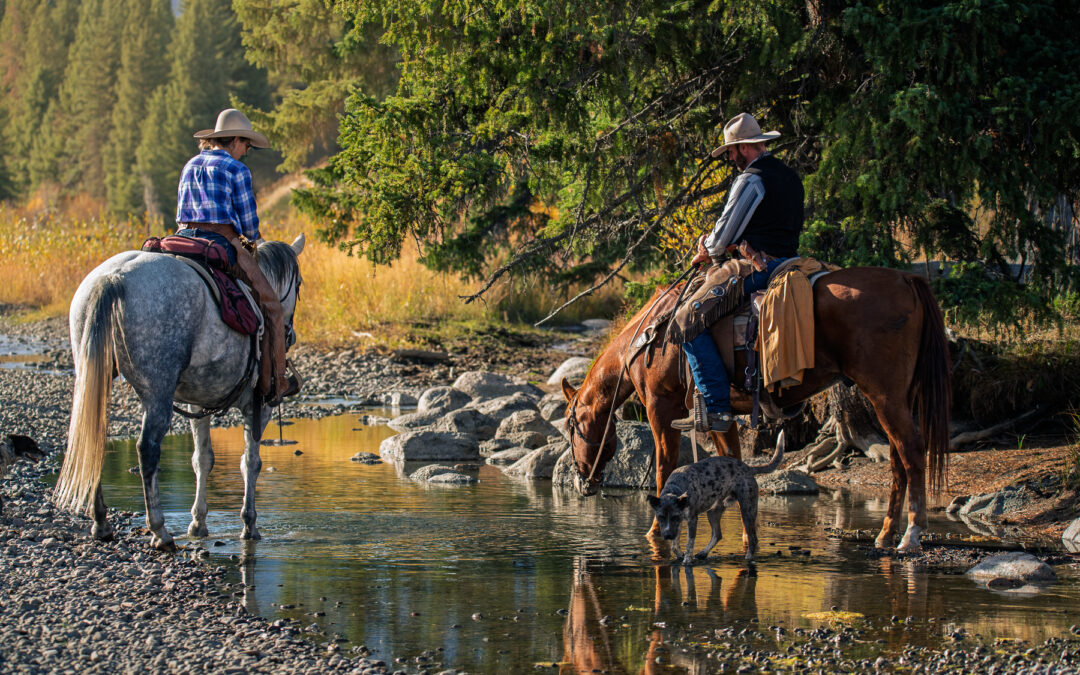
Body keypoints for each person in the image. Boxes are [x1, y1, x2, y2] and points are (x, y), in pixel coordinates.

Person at [670, 112, 804, 433]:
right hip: (792, 264)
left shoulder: (751, 179)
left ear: (744, 147)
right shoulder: (790, 177)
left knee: (686, 321)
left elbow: (720, 240)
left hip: (758, 268)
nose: (730, 157)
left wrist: (707, 246)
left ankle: (716, 406)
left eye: (731, 150)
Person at [176, 108, 299, 406]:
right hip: (221, 241)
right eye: (247, 145)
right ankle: (276, 380)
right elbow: (249, 227)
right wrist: (253, 241)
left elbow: (180, 210)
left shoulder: (191, 164)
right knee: (271, 305)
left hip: (181, 240)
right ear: (235, 141)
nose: (246, 152)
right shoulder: (236, 170)